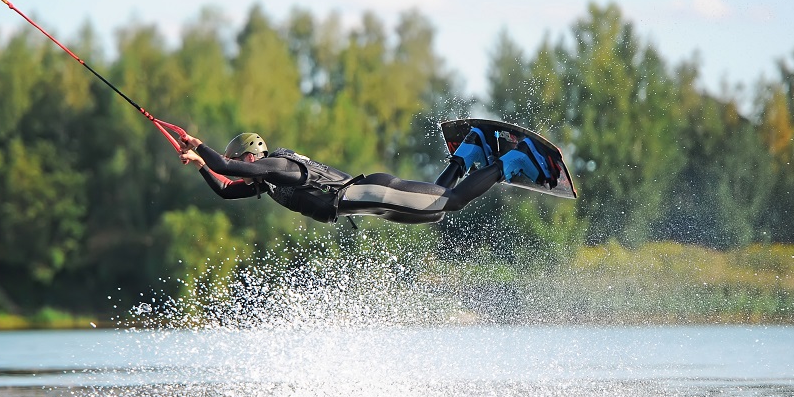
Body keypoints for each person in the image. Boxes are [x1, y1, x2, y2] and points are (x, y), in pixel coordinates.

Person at [177, 127, 553, 225]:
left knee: (449, 202)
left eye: (241, 161)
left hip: (373, 192)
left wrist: (200, 146)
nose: (244, 172)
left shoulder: (279, 166)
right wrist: (199, 165)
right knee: (438, 206)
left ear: (250, 155)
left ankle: (514, 159)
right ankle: (471, 150)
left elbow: (227, 169)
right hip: (372, 204)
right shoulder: (268, 182)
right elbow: (226, 189)